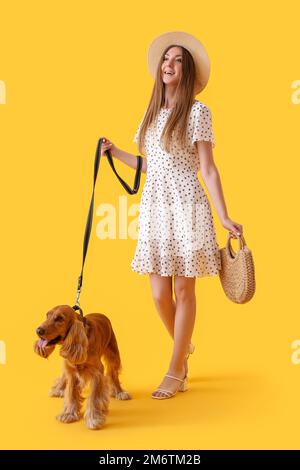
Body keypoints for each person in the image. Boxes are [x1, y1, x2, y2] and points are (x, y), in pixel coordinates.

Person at [100, 31, 243, 400]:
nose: (170, 64)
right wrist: (115, 152)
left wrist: (224, 215)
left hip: (188, 204)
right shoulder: (152, 113)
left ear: (188, 69)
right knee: (159, 292)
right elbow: (151, 165)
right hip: (154, 206)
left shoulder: (197, 112)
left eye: (178, 60)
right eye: (167, 59)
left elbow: (208, 168)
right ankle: (184, 346)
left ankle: (176, 367)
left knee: (183, 288)